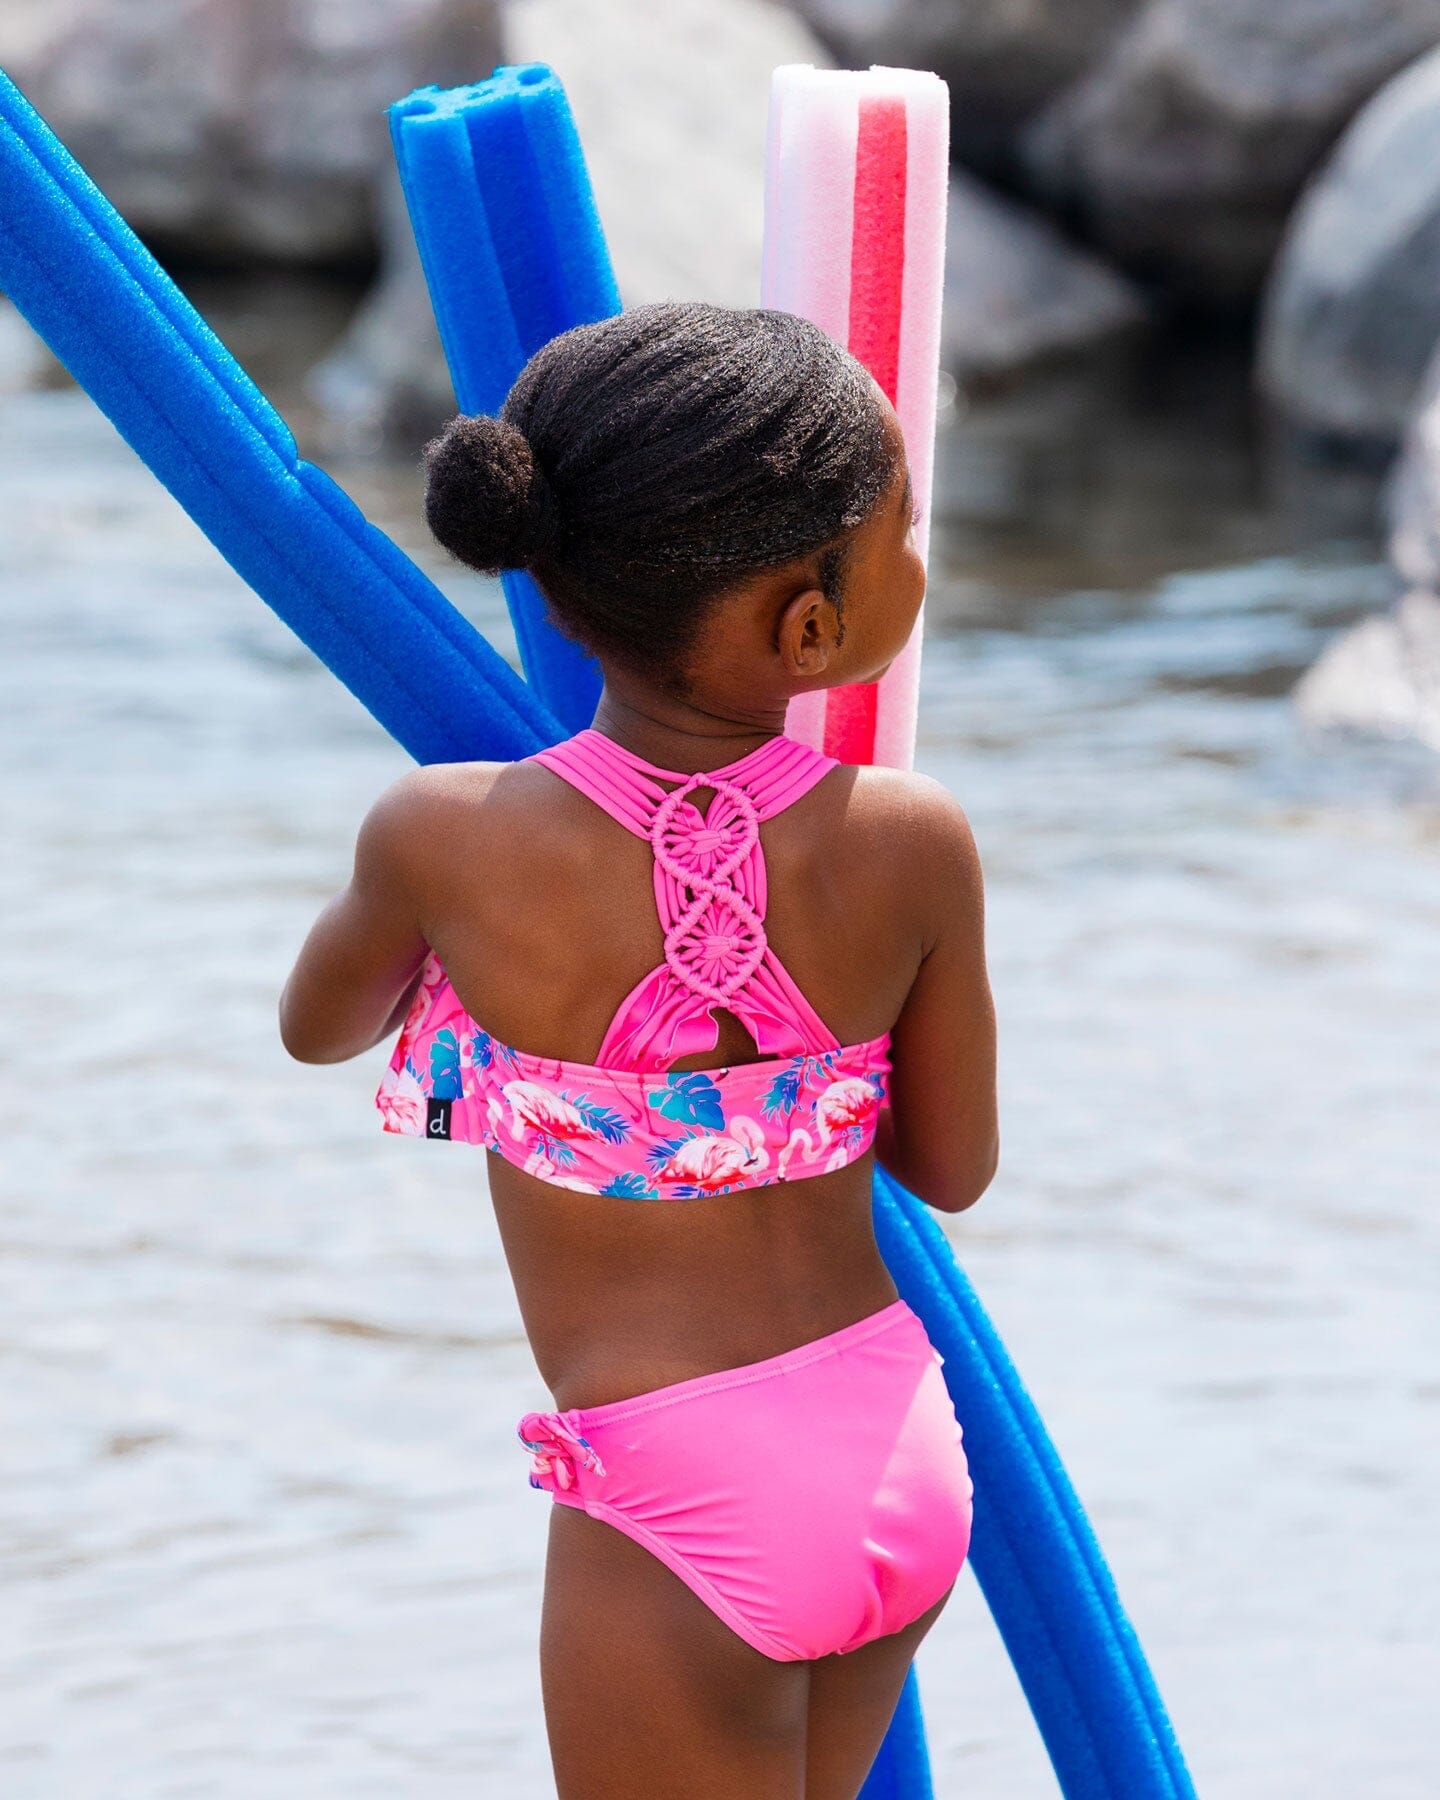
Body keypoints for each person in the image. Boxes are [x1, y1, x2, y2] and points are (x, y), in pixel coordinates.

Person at [278, 301, 999, 1800]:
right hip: (893, 1449)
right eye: (906, 532)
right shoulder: (913, 843)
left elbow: (316, 1029)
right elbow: (952, 1166)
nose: (921, 558)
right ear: (813, 629)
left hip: (687, 1503)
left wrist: (473, 980)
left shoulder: (447, 839)